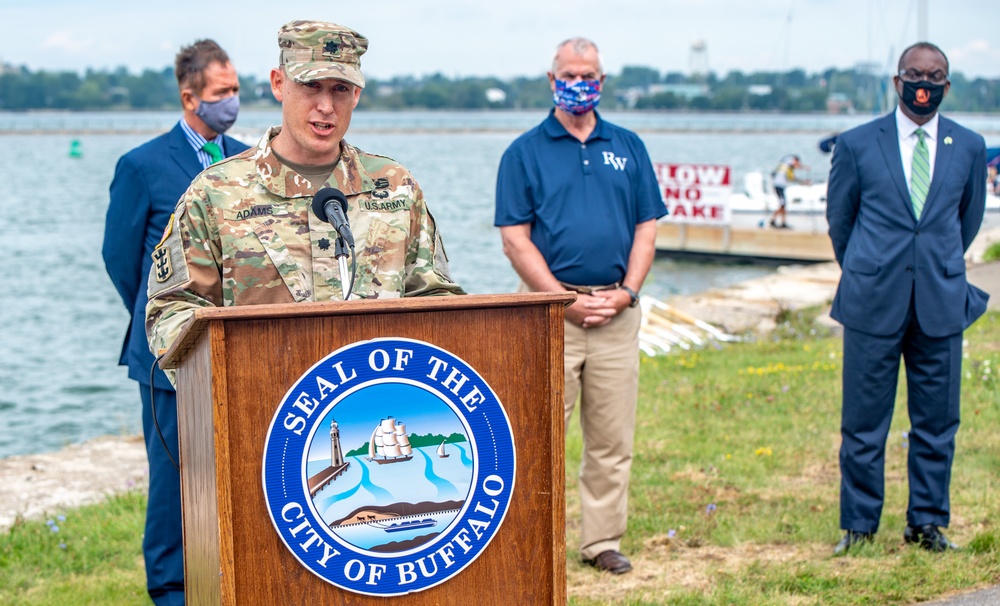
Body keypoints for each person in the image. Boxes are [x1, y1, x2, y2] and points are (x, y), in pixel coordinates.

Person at [146, 20, 463, 363]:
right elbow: (171, 312)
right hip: (261, 406)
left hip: (375, 405)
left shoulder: (396, 188)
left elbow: (438, 305)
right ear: (279, 84)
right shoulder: (215, 193)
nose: (326, 106)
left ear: (357, 94)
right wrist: (230, 377)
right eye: (311, 85)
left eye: (340, 89)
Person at [494, 37, 665, 575]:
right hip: (551, 315)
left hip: (617, 312)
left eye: (588, 73)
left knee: (612, 440)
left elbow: (647, 226)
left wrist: (629, 291)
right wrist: (560, 299)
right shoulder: (524, 152)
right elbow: (515, 238)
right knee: (538, 434)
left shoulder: (629, 146)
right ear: (551, 80)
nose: (578, 82)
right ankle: (529, 540)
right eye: (568, 73)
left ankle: (601, 543)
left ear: (602, 81)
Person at [826, 42, 988, 555]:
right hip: (872, 299)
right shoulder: (856, 144)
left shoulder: (968, 145)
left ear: (947, 82)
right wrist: (868, 266)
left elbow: (967, 220)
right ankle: (858, 526)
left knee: (937, 422)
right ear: (897, 82)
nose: (925, 83)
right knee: (863, 423)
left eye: (935, 75)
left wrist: (932, 267)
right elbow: (840, 222)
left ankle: (927, 523)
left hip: (940, 300)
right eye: (915, 74)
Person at [102, 39, 248, 606]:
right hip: (165, 356)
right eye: (221, 93)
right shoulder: (141, 166)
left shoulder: (243, 163)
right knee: (172, 483)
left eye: (235, 90)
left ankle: (227, 578)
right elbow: (121, 261)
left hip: (233, 349)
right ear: (190, 98)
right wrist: (158, 319)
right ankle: (169, 591)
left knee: (229, 475)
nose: (231, 101)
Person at [767, 154, 807, 228]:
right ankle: (774, 220)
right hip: (778, 186)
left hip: (779, 186)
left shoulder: (786, 165)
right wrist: (803, 181)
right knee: (783, 204)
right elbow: (792, 177)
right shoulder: (787, 166)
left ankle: (781, 221)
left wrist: (803, 167)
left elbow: (793, 168)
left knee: (783, 205)